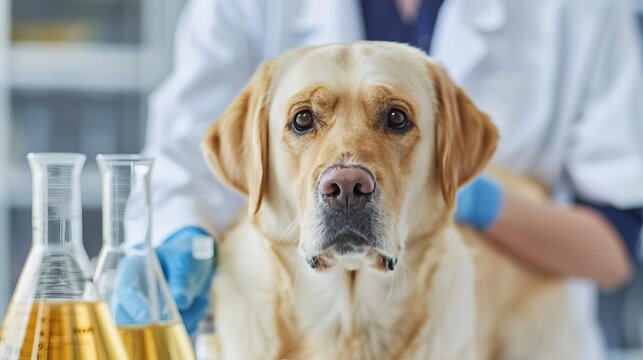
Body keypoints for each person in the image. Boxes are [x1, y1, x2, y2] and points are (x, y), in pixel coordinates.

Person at [124, 0, 643, 357]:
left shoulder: (585, 9)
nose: (346, 176)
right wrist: (176, 233)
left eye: (396, 119)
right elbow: (183, 154)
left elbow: (619, 235)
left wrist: (475, 199)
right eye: (304, 120)